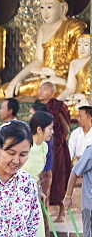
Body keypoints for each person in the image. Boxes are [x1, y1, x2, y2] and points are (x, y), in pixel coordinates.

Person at [36, 81, 72, 220]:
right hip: (41, 144)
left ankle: (62, 211)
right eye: (40, 88)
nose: (40, 91)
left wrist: (61, 140)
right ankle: (46, 209)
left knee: (59, 177)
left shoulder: (58, 106)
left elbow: (66, 127)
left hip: (57, 145)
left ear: (52, 92)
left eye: (44, 89)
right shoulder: (39, 106)